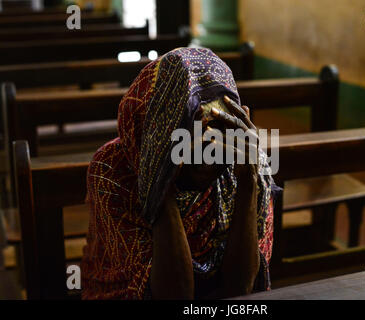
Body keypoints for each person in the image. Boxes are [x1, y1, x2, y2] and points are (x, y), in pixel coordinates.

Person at [81, 47, 277, 299]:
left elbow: (241, 290)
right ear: (156, 135)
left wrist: (248, 180)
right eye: (191, 139)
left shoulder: (246, 162)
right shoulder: (112, 169)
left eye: (217, 136)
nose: (209, 158)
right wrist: (160, 181)